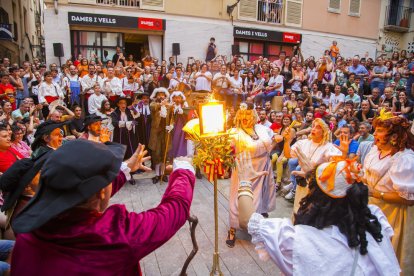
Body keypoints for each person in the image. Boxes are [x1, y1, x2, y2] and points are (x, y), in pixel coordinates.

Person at [10, 140, 196, 275]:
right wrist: (184, 171)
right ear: (100, 192)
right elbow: (174, 211)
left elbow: (86, 194)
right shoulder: (110, 236)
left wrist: (125, 170)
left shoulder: (28, 235)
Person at [235, 152, 400, 276]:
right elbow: (341, 195)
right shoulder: (374, 219)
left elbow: (247, 220)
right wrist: (315, 178)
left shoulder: (299, 240)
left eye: (312, 188)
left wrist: (245, 180)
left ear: (317, 199)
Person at [363, 109, 414, 274]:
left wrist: (376, 194)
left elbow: (408, 199)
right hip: (371, 208)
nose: (374, 134)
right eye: (375, 130)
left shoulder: (404, 159)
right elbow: (367, 177)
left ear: (393, 136)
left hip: (392, 214)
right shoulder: (374, 151)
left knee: (387, 253)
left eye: (379, 131)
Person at [226, 103, 276, 248]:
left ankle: (255, 228)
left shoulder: (263, 129)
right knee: (238, 197)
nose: (245, 118)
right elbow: (226, 149)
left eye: (248, 115)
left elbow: (270, 144)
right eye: (242, 115)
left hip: (263, 166)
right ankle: (232, 229)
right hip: (244, 169)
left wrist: (278, 139)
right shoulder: (234, 133)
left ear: (253, 115)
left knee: (258, 198)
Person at [282, 118, 347, 212]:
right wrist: (287, 141)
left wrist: (344, 154)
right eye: (313, 126)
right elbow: (288, 155)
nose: (313, 129)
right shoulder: (303, 143)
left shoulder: (328, 147)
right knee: (298, 210)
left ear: (324, 131)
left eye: (318, 127)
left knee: (310, 213)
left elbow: (337, 165)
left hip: (317, 187)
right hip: (302, 184)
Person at [149, 87, 171, 184]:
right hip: (156, 134)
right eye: (159, 95)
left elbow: (172, 118)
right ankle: (157, 174)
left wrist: (171, 126)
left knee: (164, 153)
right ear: (156, 96)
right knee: (156, 154)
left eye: (163, 94)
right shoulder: (153, 104)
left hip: (165, 133)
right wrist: (161, 104)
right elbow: (153, 107)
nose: (161, 96)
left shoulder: (169, 106)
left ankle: (163, 174)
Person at [168, 91, 188, 159]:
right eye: (175, 98)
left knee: (181, 139)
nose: (177, 99)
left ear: (181, 98)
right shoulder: (171, 105)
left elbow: (187, 114)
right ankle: (172, 154)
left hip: (181, 125)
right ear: (173, 99)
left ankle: (180, 154)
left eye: (179, 98)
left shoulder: (184, 105)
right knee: (174, 139)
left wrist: (183, 112)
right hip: (173, 125)